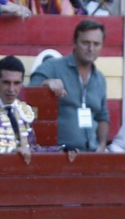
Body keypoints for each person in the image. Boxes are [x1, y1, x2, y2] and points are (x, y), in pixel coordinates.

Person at [30, 19, 108, 151]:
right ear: (74, 42)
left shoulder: (99, 78)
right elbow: (27, 95)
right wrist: (45, 83)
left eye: (96, 44)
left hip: (91, 154)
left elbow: (102, 116)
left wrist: (102, 145)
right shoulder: (53, 67)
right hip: (59, 154)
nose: (91, 48)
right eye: (85, 43)